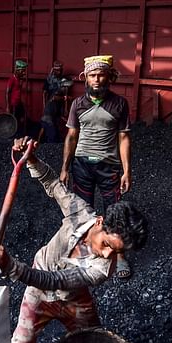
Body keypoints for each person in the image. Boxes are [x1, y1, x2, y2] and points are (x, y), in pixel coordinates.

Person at [0, 136, 149, 343]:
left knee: (91, 337)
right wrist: (31, 158)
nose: (110, 255)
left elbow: (59, 280)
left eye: (119, 252)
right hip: (39, 291)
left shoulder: (102, 270)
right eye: (109, 245)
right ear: (100, 223)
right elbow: (53, 184)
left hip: (73, 296)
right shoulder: (80, 214)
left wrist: (11, 267)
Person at [61, 55, 133, 279]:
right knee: (84, 211)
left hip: (108, 166)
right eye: (93, 75)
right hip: (81, 165)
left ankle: (120, 255)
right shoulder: (78, 104)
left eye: (101, 75)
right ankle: (85, 252)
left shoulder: (119, 104)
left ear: (109, 77)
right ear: (86, 78)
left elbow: (123, 138)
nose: (97, 79)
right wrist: (65, 167)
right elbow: (71, 136)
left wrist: (127, 170)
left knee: (115, 210)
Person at [40, 61, 72, 143]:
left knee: (55, 125)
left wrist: (65, 108)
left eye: (60, 70)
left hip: (58, 107)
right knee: (48, 125)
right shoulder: (49, 80)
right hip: (50, 106)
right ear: (54, 70)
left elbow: (66, 93)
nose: (59, 72)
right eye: (57, 70)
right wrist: (44, 106)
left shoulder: (64, 80)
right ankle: (42, 142)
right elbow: (45, 93)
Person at [5, 60, 28, 136]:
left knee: (21, 117)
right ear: (17, 70)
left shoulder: (18, 79)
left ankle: (18, 133)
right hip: (13, 104)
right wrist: (8, 106)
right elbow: (7, 92)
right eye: (22, 71)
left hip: (18, 102)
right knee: (14, 120)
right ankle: (12, 135)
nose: (24, 73)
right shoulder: (12, 79)